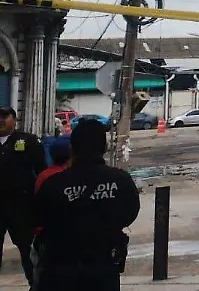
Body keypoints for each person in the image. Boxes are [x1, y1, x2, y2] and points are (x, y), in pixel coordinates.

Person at [32, 118, 140, 291]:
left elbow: (38, 218)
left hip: (59, 270)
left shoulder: (53, 185)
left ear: (72, 149)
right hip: (103, 269)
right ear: (104, 148)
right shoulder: (120, 180)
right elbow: (130, 213)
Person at [0, 105, 46, 284]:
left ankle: (36, 285)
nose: (1, 120)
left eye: (5, 116)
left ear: (14, 119)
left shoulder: (28, 141)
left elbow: (42, 172)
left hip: (21, 206)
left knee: (28, 251)